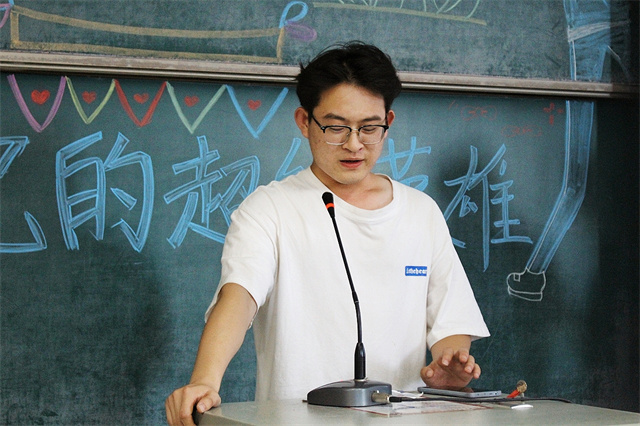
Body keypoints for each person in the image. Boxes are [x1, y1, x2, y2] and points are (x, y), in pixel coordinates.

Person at [165, 41, 490, 425]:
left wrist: (449, 364)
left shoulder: (421, 213)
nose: (354, 144)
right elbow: (238, 298)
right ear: (304, 121)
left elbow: (451, 323)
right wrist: (205, 380)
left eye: (369, 128)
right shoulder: (269, 208)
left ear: (388, 122)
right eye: (336, 127)